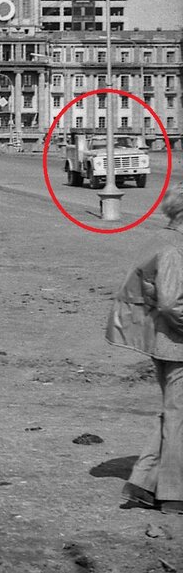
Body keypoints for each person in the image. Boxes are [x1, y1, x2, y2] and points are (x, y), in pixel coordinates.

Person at [108, 182, 183, 515]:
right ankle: (174, 494)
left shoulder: (162, 239)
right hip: (177, 344)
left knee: (175, 413)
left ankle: (144, 483)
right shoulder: (176, 248)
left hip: (166, 342)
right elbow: (171, 304)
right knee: (180, 417)